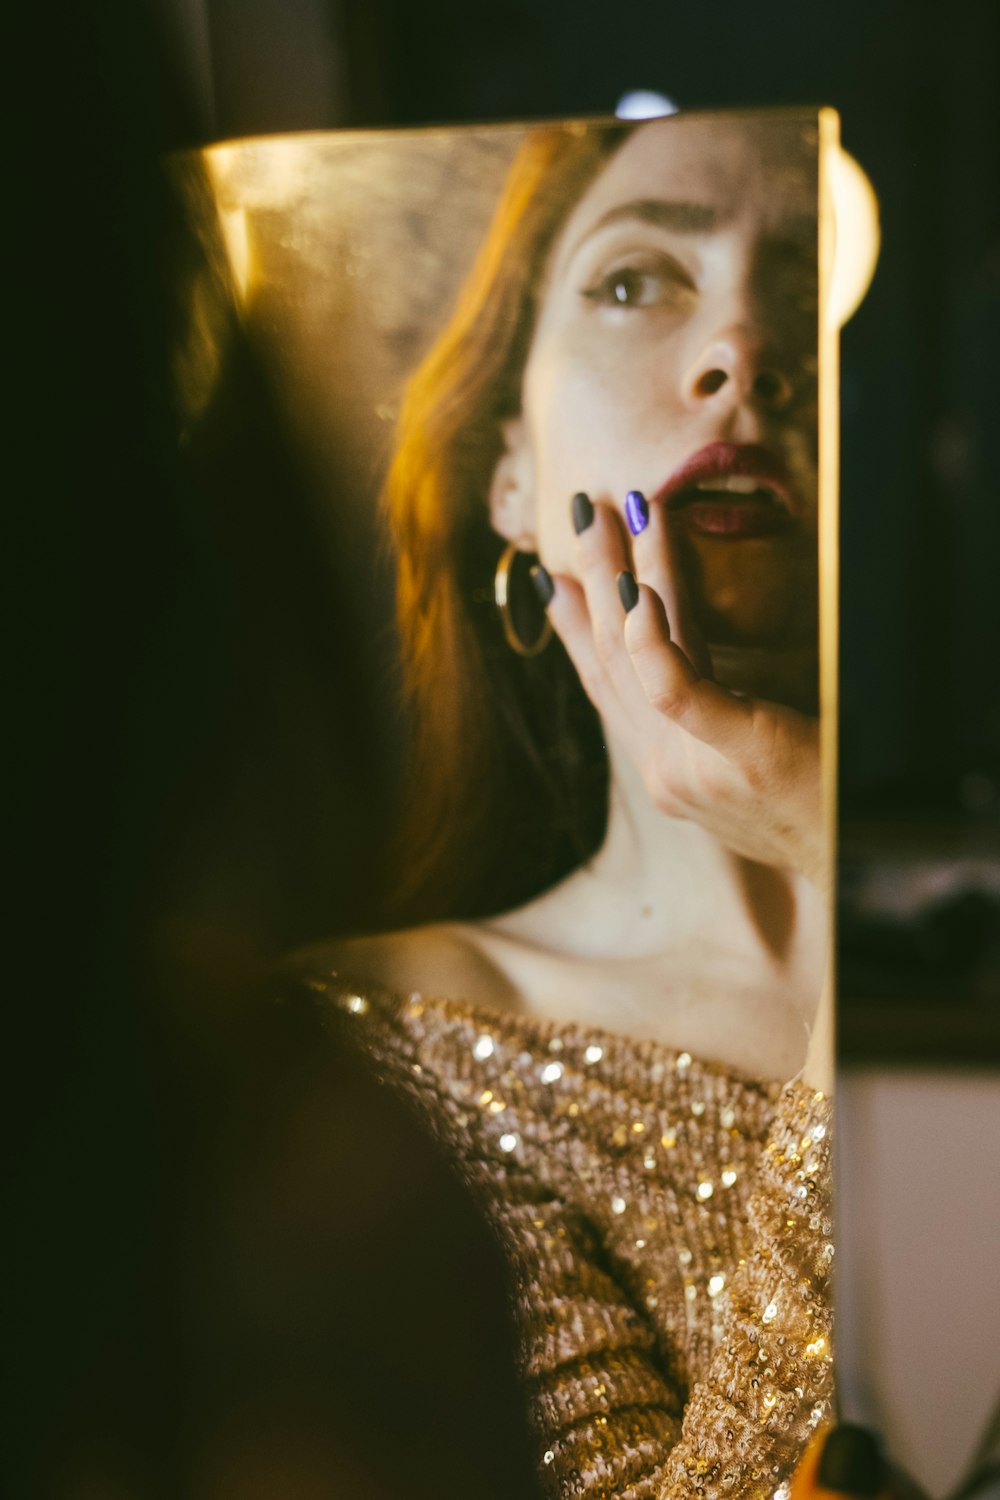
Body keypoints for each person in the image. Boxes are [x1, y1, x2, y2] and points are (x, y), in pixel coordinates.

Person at [289, 111, 835, 1497]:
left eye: (819, 285)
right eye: (636, 280)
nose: (744, 357)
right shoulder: (385, 1050)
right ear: (513, 471)